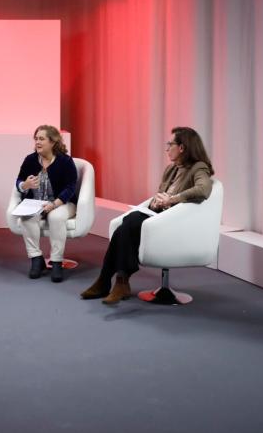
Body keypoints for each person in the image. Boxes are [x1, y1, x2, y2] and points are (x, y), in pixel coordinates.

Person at [81, 127, 214, 305]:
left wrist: (172, 199)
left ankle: (109, 281)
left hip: (175, 222)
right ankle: (117, 281)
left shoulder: (199, 167)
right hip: (159, 215)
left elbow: (203, 189)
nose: (167, 148)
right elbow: (160, 193)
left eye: (170, 144)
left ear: (182, 147)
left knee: (128, 223)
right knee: (124, 227)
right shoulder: (172, 169)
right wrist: (156, 201)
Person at [14, 124, 78, 282]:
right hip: (36, 202)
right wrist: (25, 185)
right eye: (36, 139)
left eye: (41, 138)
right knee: (26, 217)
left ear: (53, 142)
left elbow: (71, 186)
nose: (37, 142)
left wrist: (54, 204)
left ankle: (56, 261)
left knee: (55, 218)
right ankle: (36, 259)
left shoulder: (65, 161)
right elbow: (19, 180)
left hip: (62, 203)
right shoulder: (30, 159)